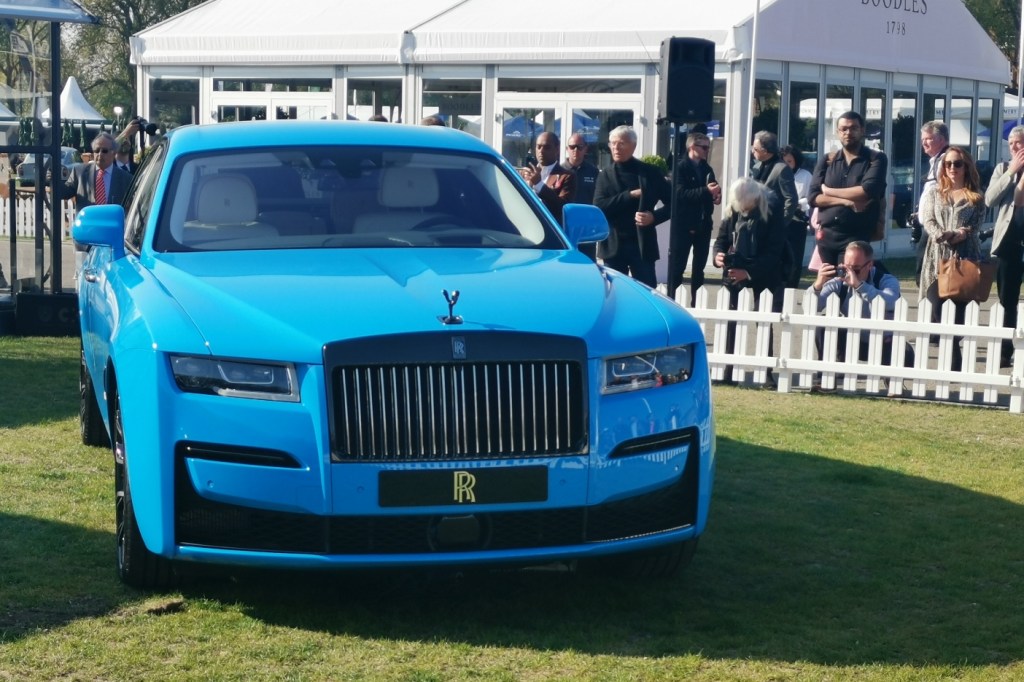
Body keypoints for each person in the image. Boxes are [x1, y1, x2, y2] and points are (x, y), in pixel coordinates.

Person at [712, 177, 786, 385]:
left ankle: (766, 373)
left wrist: (748, 272)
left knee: (763, 322)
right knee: (730, 321)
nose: (743, 208)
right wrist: (718, 257)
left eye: (747, 205)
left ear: (756, 199)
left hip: (764, 273)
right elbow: (721, 240)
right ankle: (727, 370)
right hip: (734, 271)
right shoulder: (732, 209)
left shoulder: (772, 211)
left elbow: (774, 252)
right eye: (740, 205)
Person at [918, 145, 985, 371]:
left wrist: (962, 233)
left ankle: (953, 360)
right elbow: (928, 220)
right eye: (948, 164)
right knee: (937, 306)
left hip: (965, 258)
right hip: (937, 257)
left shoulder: (976, 197)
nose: (952, 168)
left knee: (960, 312)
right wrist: (941, 234)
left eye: (957, 164)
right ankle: (953, 356)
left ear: (966, 167)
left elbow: (976, 225)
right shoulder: (935, 193)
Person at [811, 241, 910, 379]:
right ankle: (828, 372)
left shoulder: (886, 280)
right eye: (846, 268)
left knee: (907, 362)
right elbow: (811, 307)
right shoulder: (839, 282)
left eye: (856, 269)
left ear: (869, 265)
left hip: (883, 342)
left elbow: (890, 302)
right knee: (823, 324)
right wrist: (817, 285)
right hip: (852, 340)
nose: (850, 273)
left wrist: (859, 286)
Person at [593, 125, 673, 288]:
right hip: (614, 245)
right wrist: (629, 195)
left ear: (633, 146)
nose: (616, 148)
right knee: (614, 292)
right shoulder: (605, 175)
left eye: (621, 143)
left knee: (646, 291)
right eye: (612, 143)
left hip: (642, 245)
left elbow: (674, 204)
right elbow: (599, 207)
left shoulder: (650, 173)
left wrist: (654, 217)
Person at [808, 111, 888, 266]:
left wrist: (828, 191)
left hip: (856, 236)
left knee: (849, 277)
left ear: (862, 130)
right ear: (838, 132)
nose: (848, 133)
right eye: (843, 129)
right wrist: (846, 201)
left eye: (853, 128)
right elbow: (813, 197)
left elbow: (867, 191)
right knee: (828, 280)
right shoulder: (828, 161)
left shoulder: (875, 159)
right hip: (827, 236)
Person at [983, 124, 1024, 367]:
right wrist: (1011, 172)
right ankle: (1004, 351)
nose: (1014, 147)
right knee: (1007, 300)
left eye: (1019, 142)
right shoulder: (1002, 168)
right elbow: (990, 199)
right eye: (1010, 143)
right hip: (1009, 243)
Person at [667, 131, 720, 304]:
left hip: (703, 224)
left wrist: (715, 196)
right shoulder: (680, 168)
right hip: (684, 225)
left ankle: (696, 302)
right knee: (678, 266)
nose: (707, 150)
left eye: (708, 147)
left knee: (699, 267)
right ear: (692, 147)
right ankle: (672, 300)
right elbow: (680, 194)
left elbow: (712, 190)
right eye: (703, 147)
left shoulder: (707, 168)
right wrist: (706, 191)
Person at [751, 130, 798, 295]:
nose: (752, 151)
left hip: (772, 227)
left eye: (755, 148)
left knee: (771, 270)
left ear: (765, 151)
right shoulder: (756, 167)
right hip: (756, 226)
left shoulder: (781, 168)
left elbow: (791, 199)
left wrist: (781, 224)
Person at [910, 120, 950, 277]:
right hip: (929, 223)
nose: (924, 143)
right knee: (924, 269)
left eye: (928, 139)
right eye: (922, 139)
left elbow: (946, 191)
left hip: (937, 225)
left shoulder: (946, 160)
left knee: (925, 271)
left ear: (942, 139)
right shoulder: (937, 160)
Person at [55, 132, 132, 209]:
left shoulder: (126, 179)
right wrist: (53, 179)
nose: (100, 154)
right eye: (97, 150)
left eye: (104, 151)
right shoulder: (79, 172)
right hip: (87, 217)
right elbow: (63, 193)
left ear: (114, 153)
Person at [518, 131, 576, 225]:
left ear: (557, 149)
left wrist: (539, 184)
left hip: (550, 228)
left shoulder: (566, 176)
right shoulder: (525, 174)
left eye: (547, 147)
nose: (541, 151)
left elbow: (563, 207)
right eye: (538, 147)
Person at [564, 132, 600, 259]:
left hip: (586, 228)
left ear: (585, 149)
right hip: (564, 227)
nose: (575, 150)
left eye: (579, 147)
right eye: (572, 147)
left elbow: (598, 199)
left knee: (587, 262)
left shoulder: (593, 172)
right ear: (567, 149)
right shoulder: (559, 171)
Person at [781, 143, 813, 287]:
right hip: (780, 220)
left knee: (795, 256)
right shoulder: (778, 174)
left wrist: (798, 203)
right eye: (784, 161)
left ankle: (792, 284)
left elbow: (811, 197)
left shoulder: (805, 176)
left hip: (797, 221)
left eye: (790, 161)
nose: (787, 165)